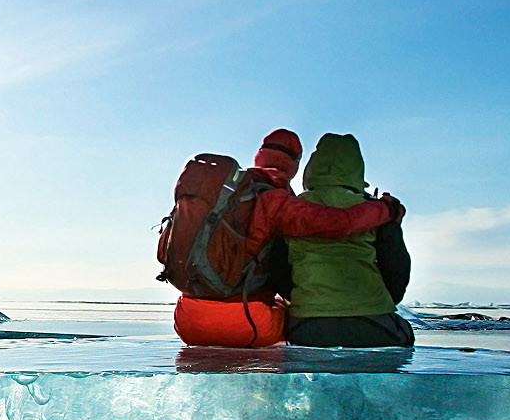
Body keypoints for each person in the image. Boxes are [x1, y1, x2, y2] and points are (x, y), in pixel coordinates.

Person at [172, 129, 403, 347]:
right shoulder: (278, 203)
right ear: (294, 164)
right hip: (248, 323)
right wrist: (386, 209)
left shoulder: (230, 194)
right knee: (287, 317)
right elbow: (338, 223)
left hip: (187, 319)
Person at [284, 133, 414, 347]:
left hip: (309, 325)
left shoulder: (292, 211)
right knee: (405, 333)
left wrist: (307, 300)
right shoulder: (377, 212)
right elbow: (397, 268)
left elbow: (278, 268)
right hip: (374, 323)